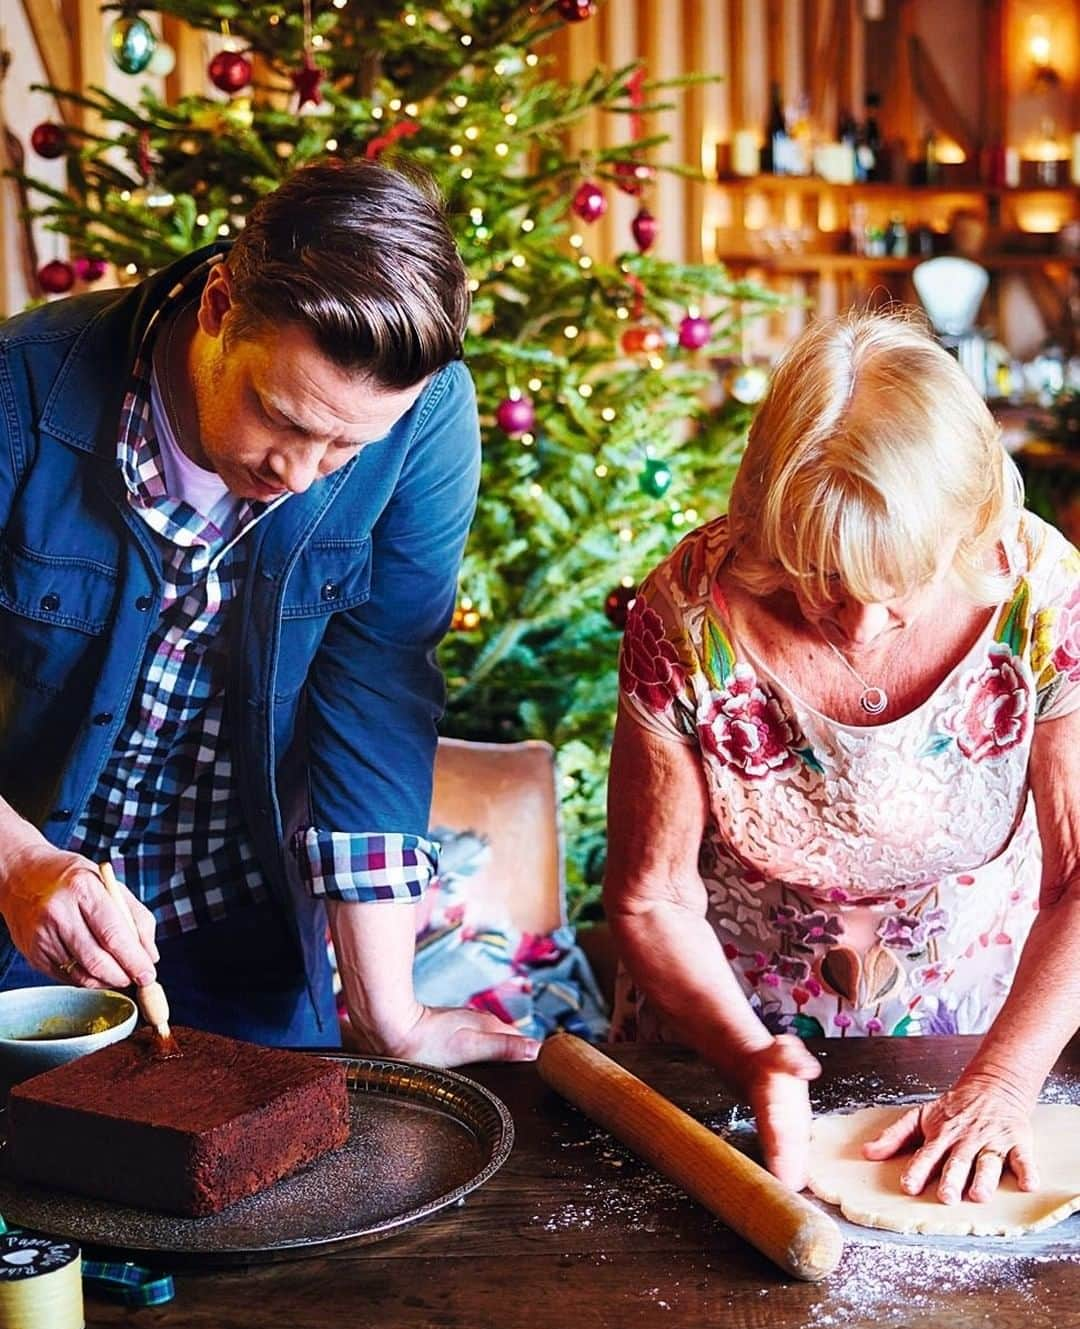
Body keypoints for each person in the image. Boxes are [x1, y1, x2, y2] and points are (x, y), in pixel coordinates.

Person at [0, 159, 539, 1065]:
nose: (298, 472)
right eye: (278, 415)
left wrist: (389, 1012)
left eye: (344, 445)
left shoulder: (423, 418)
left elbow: (377, 685)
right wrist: (17, 863)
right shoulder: (18, 391)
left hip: (246, 923)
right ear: (217, 306)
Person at [605, 310, 1080, 1205]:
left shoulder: (1043, 596)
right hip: (719, 1035)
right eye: (817, 572)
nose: (859, 622)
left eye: (900, 579)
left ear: (970, 529)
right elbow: (651, 894)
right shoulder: (688, 614)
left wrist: (1003, 1081)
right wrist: (748, 1054)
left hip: (970, 1044)